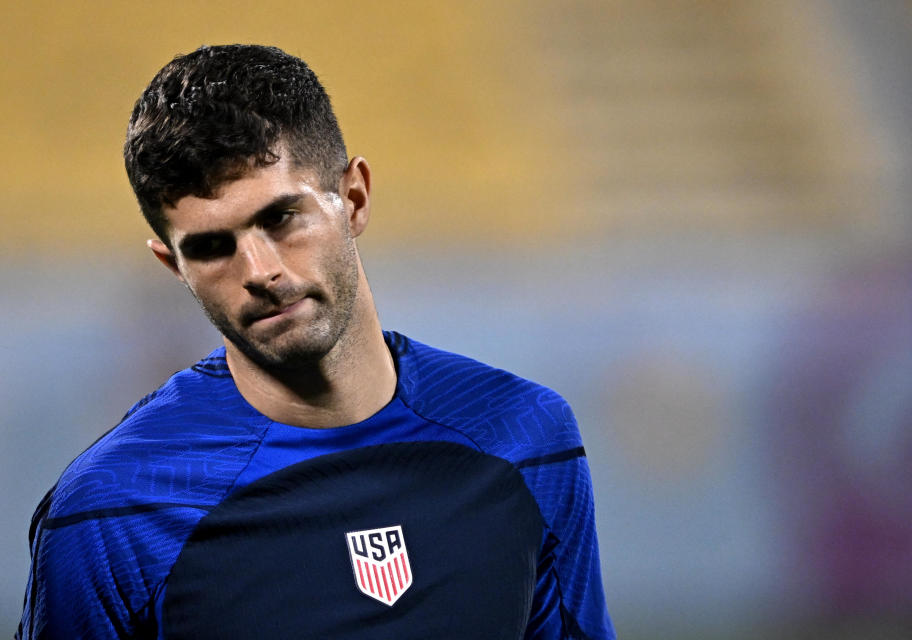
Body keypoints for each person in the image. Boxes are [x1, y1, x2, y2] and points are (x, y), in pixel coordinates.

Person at [17, 44, 615, 639]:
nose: (258, 270)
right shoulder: (112, 510)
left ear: (353, 197)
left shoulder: (526, 438)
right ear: (174, 267)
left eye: (281, 218)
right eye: (210, 247)